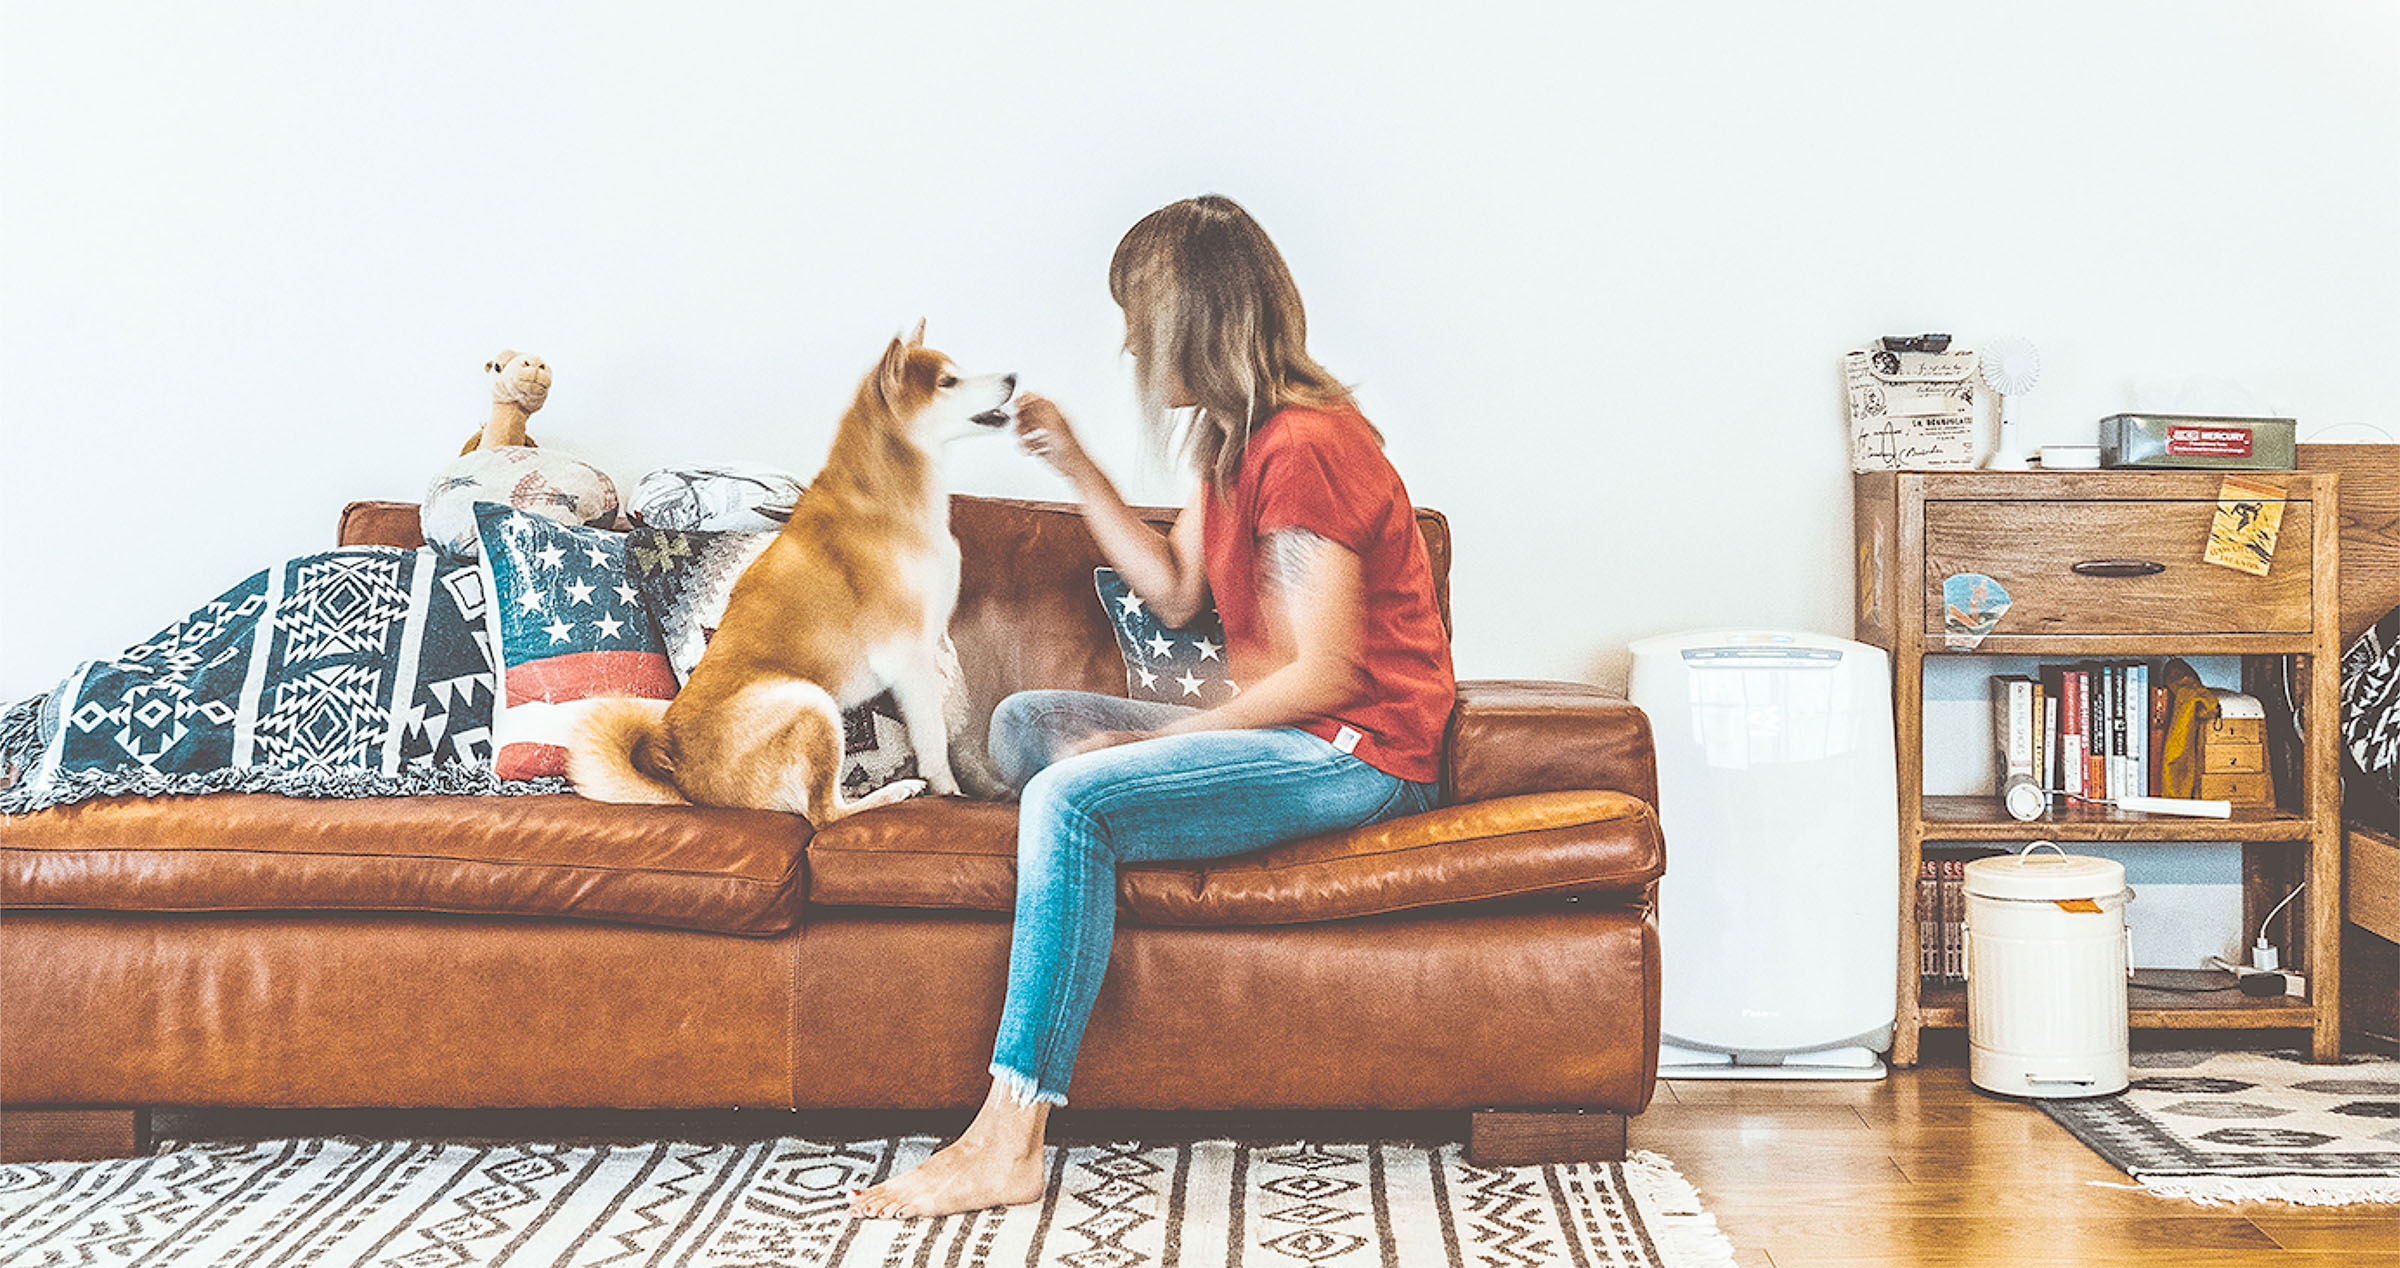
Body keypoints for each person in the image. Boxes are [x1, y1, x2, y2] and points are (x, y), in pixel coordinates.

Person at [850, 195, 1455, 1219]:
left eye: (1141, 316)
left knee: (1069, 799)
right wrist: (1076, 463)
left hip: (1361, 751)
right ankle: (1133, 827)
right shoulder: (1233, 439)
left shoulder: (1306, 445)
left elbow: (1326, 675)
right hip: (1295, 731)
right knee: (1023, 725)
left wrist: (1159, 745)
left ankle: (1009, 1135)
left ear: (1198, 322)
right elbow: (1177, 590)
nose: (1129, 340)